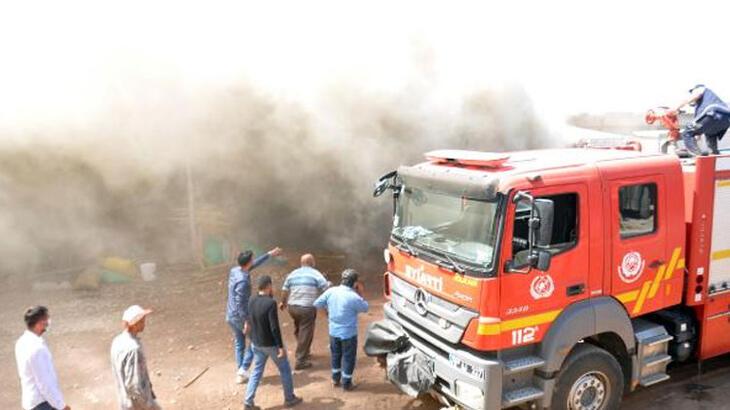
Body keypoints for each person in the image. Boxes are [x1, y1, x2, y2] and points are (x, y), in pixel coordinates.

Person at [244, 275, 303, 410]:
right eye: (272, 286)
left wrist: (247, 326)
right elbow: (274, 327)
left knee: (256, 372)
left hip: (256, 343)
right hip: (270, 344)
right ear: (269, 286)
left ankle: (248, 402)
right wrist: (281, 347)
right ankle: (289, 398)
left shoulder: (251, 299)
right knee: (285, 369)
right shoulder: (270, 303)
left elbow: (249, 317)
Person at [226, 247, 282, 384]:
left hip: (230, 314)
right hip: (240, 316)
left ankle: (241, 373)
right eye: (252, 259)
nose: (253, 261)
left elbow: (254, 264)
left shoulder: (235, 270)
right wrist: (246, 321)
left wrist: (269, 254)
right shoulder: (243, 281)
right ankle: (243, 369)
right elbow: (240, 303)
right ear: (248, 262)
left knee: (239, 343)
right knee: (255, 342)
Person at [313, 269, 369, 391]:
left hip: (333, 331)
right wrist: (361, 293)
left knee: (335, 355)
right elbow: (365, 308)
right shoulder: (354, 297)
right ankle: (347, 383)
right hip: (349, 334)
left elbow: (317, 303)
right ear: (355, 283)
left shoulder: (331, 291)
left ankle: (335, 379)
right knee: (349, 358)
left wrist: (326, 315)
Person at [279, 254, 330, 369]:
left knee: (299, 328)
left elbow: (284, 289)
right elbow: (325, 289)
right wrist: (327, 306)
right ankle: (300, 360)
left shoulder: (293, 273)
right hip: (307, 308)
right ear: (312, 262)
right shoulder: (316, 273)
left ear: (301, 263)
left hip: (292, 307)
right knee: (306, 332)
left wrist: (283, 302)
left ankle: (304, 350)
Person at [15, 306, 71, 410]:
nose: (49, 322)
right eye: (47, 319)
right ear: (41, 323)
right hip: (42, 403)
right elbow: (45, 384)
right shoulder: (37, 349)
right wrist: (61, 406)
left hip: (31, 401)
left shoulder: (21, 342)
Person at [110, 305, 160, 410]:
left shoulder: (117, 341)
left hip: (124, 401)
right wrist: (148, 406)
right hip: (137, 405)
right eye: (141, 320)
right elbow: (134, 385)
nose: (144, 322)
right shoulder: (134, 349)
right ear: (134, 324)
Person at [677, 84, 730, 155]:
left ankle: (699, 156)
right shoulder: (700, 107)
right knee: (710, 135)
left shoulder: (701, 89)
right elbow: (698, 128)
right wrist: (695, 140)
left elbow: (696, 95)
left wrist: (676, 108)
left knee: (686, 133)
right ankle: (714, 154)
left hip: (713, 114)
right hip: (725, 120)